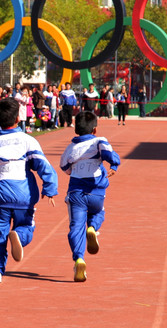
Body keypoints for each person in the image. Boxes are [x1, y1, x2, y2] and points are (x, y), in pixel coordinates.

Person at [0, 98, 58, 286]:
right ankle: (19, 236)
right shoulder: (28, 141)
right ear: (17, 118)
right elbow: (43, 166)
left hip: (1, 197)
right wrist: (50, 188)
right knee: (26, 226)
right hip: (24, 196)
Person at [60, 111, 120, 282]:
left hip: (76, 194)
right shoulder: (99, 141)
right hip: (96, 194)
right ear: (94, 129)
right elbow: (108, 153)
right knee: (99, 212)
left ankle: (79, 258)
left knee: (76, 228)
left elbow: (65, 168)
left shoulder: (70, 148)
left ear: (76, 130)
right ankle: (93, 227)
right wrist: (114, 164)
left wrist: (76, 170)